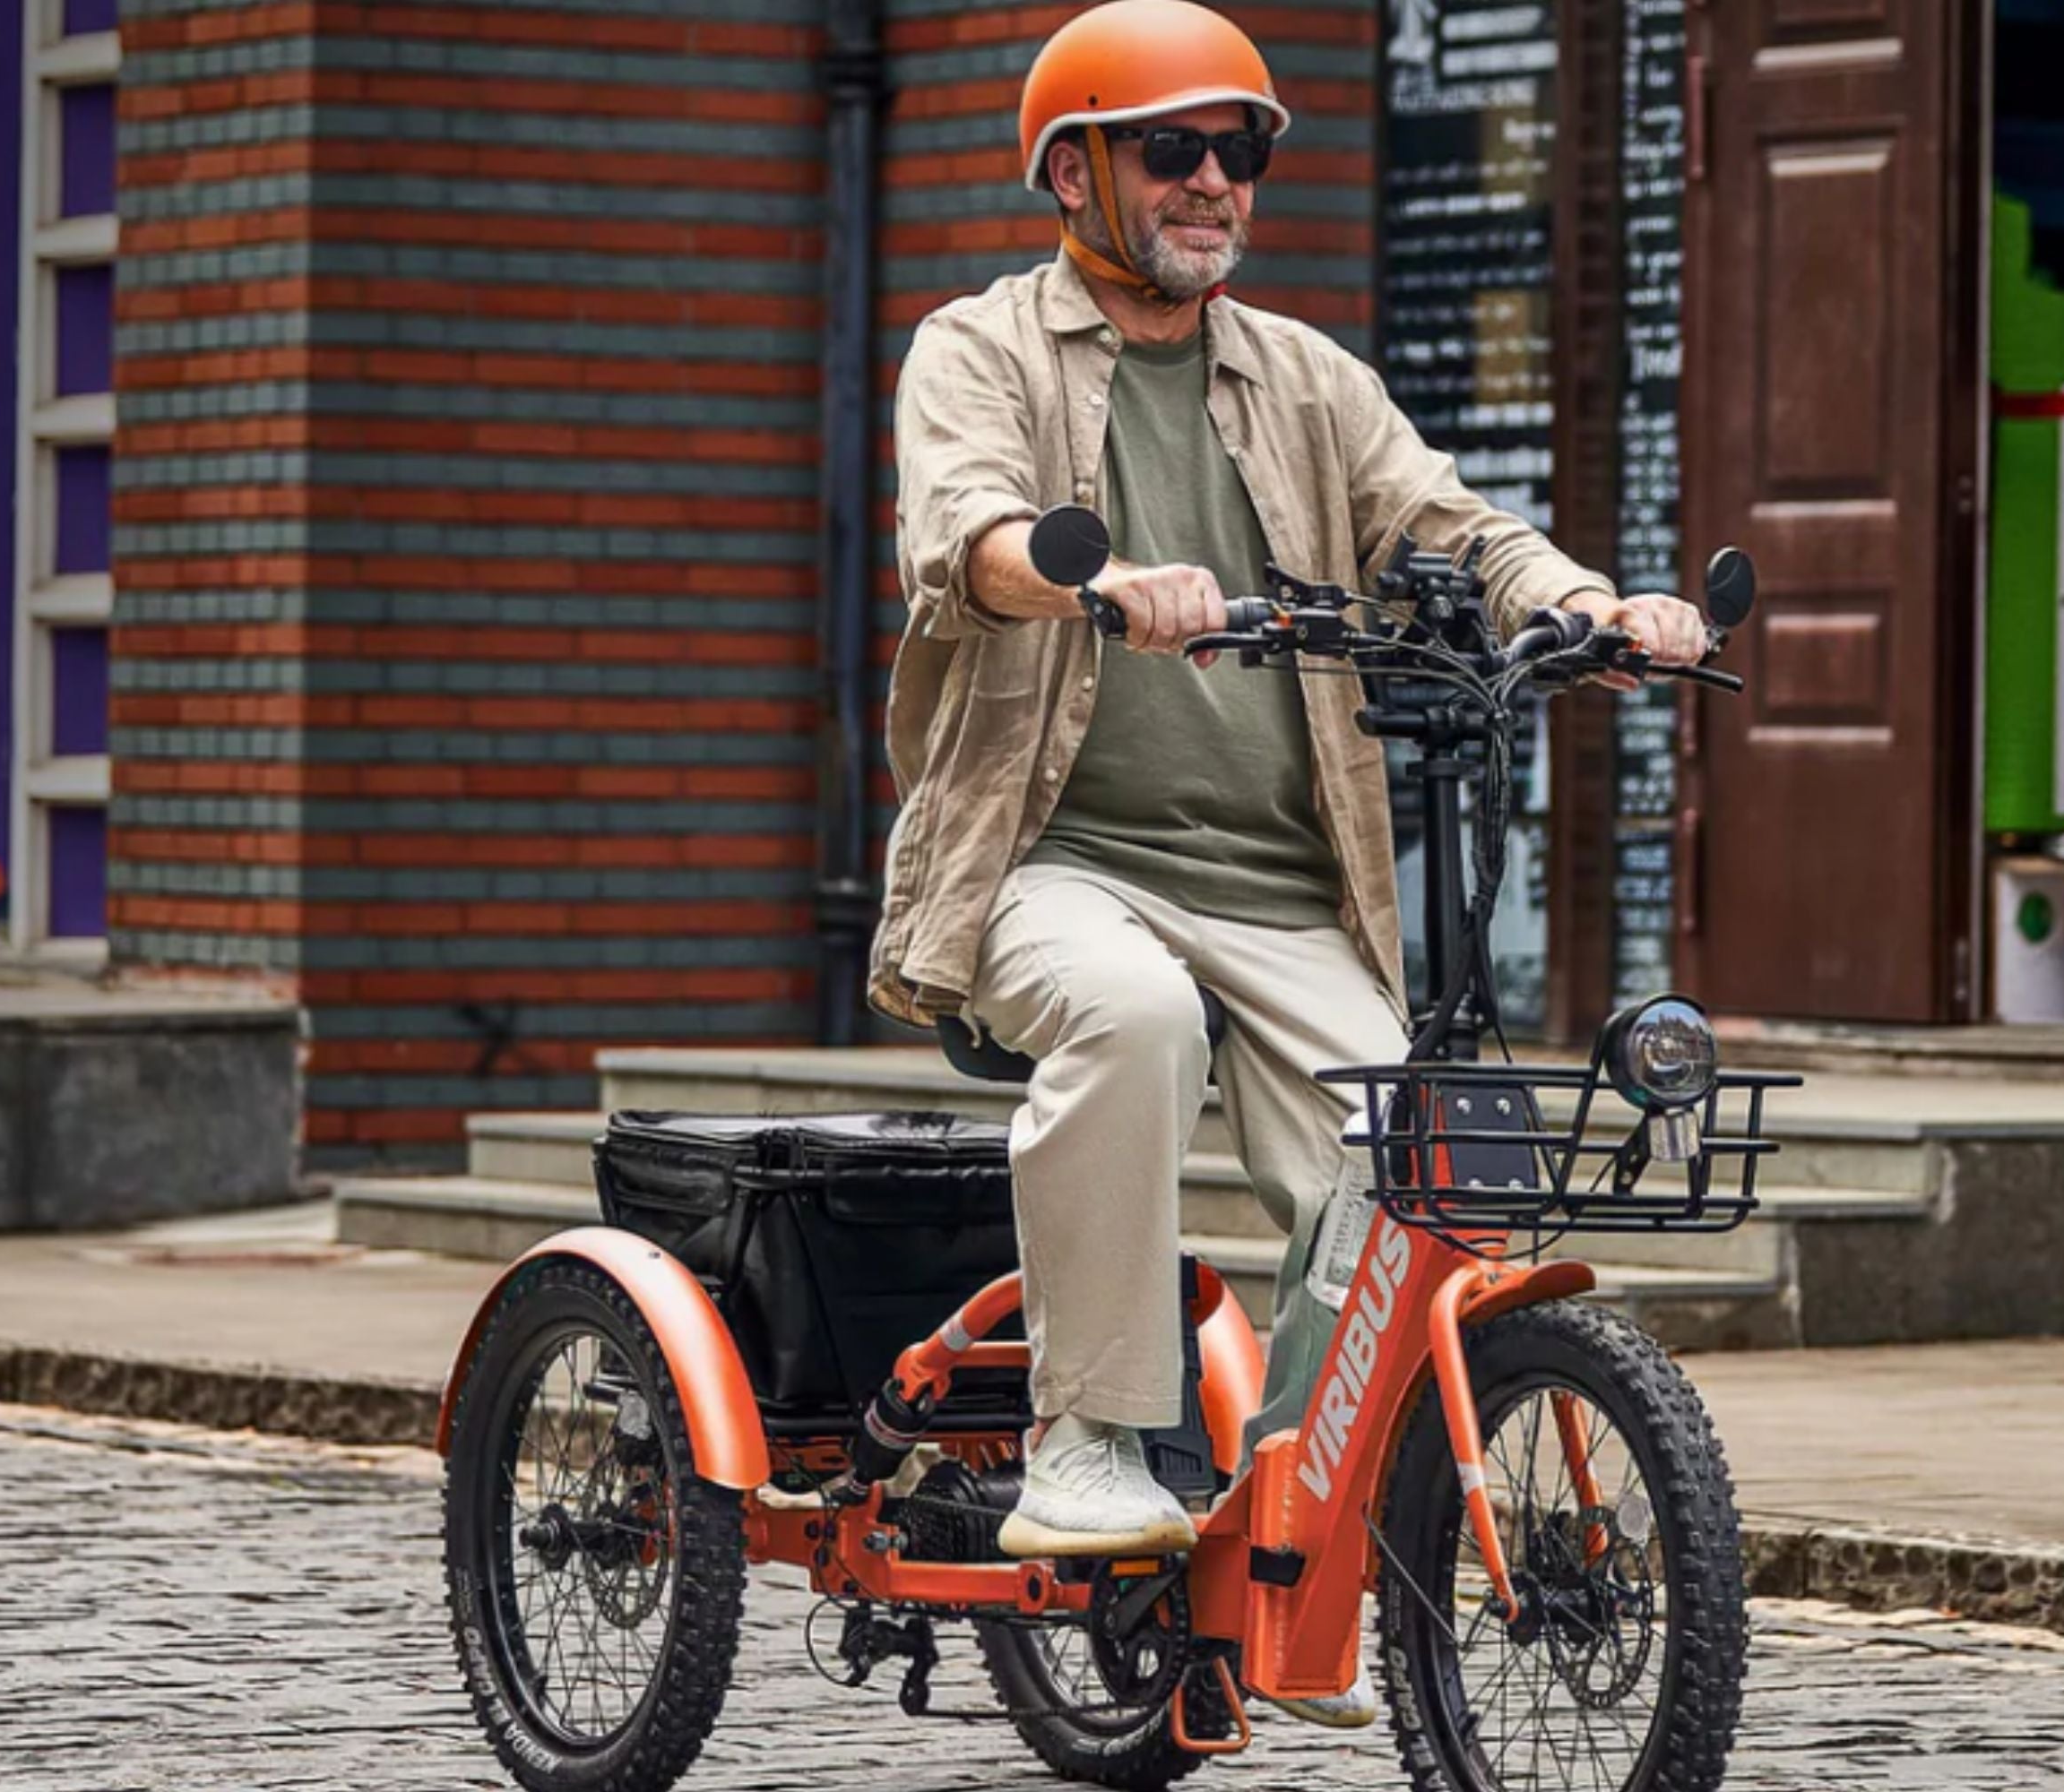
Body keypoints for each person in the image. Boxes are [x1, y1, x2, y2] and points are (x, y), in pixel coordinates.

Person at [870, 0, 1706, 1712]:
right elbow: (965, 536)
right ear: (1075, 171)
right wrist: (1089, 573)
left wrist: (1588, 606)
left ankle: (1290, 1512)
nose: (1211, 183)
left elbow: (1451, 523)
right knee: (1132, 1018)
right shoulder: (980, 350)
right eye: (1170, 149)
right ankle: (1089, 1437)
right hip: (1049, 863)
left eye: (1236, 152)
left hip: (1278, 888)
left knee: (1401, 1170)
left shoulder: (1304, 376)